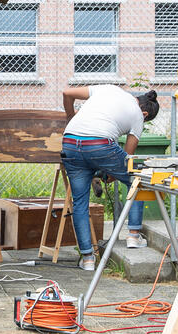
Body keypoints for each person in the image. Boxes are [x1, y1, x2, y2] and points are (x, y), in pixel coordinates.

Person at [60, 85, 160, 271]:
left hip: (70, 142)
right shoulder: (138, 116)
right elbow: (128, 161)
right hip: (100, 144)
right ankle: (133, 235)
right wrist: (111, 176)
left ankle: (88, 258)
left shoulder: (109, 88)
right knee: (136, 179)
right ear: (145, 113)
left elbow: (67, 92)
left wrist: (69, 117)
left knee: (80, 202)